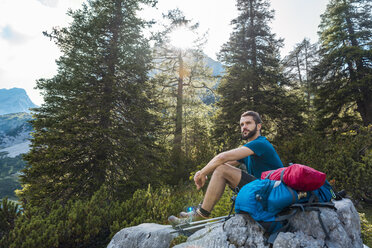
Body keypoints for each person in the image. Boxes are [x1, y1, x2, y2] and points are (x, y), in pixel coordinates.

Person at [168, 111, 283, 224]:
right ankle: (200, 211)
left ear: (258, 126)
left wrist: (203, 173)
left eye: (248, 123)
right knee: (221, 169)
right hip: (263, 191)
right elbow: (222, 164)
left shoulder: (260, 143)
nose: (244, 127)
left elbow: (222, 157)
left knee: (222, 170)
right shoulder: (249, 149)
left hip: (273, 194)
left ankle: (201, 215)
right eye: (242, 125)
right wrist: (204, 172)